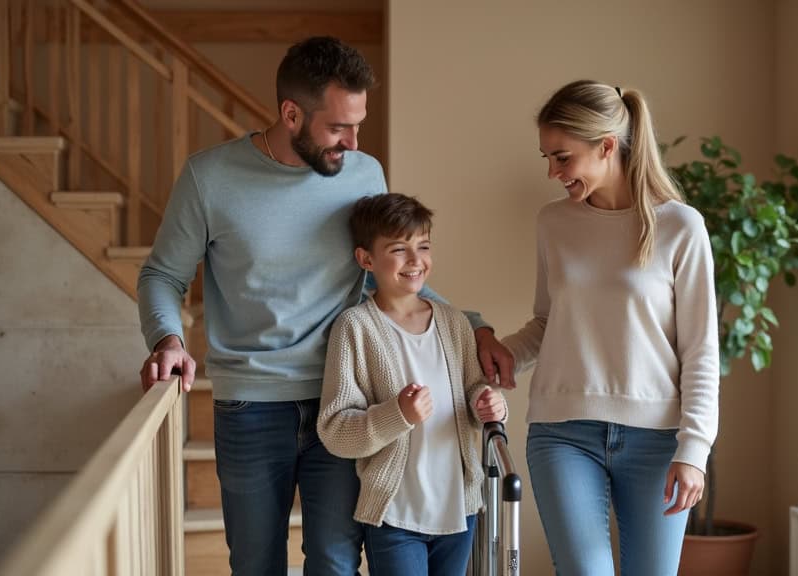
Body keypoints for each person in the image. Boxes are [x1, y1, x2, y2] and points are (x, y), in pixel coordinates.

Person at [136, 36, 515, 575]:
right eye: (339, 127)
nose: (353, 141)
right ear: (291, 114)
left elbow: (387, 279)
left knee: (337, 562)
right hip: (250, 406)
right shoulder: (209, 178)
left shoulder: (363, 174)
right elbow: (162, 275)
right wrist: (168, 339)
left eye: (358, 124)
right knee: (255, 563)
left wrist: (473, 329)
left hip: (346, 401)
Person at [501, 80, 720, 575]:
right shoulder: (553, 223)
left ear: (605, 147)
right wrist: (504, 354)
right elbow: (549, 320)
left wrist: (695, 450)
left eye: (562, 158)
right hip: (563, 433)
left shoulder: (680, 227)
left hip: (659, 440)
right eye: (547, 158)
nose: (552, 172)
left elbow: (701, 350)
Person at [317, 193, 507, 576]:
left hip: (459, 509)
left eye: (423, 246)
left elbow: (472, 391)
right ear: (366, 260)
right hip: (395, 514)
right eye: (399, 250)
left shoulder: (455, 323)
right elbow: (335, 430)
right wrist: (397, 415)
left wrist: (488, 402)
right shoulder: (355, 328)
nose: (415, 260)